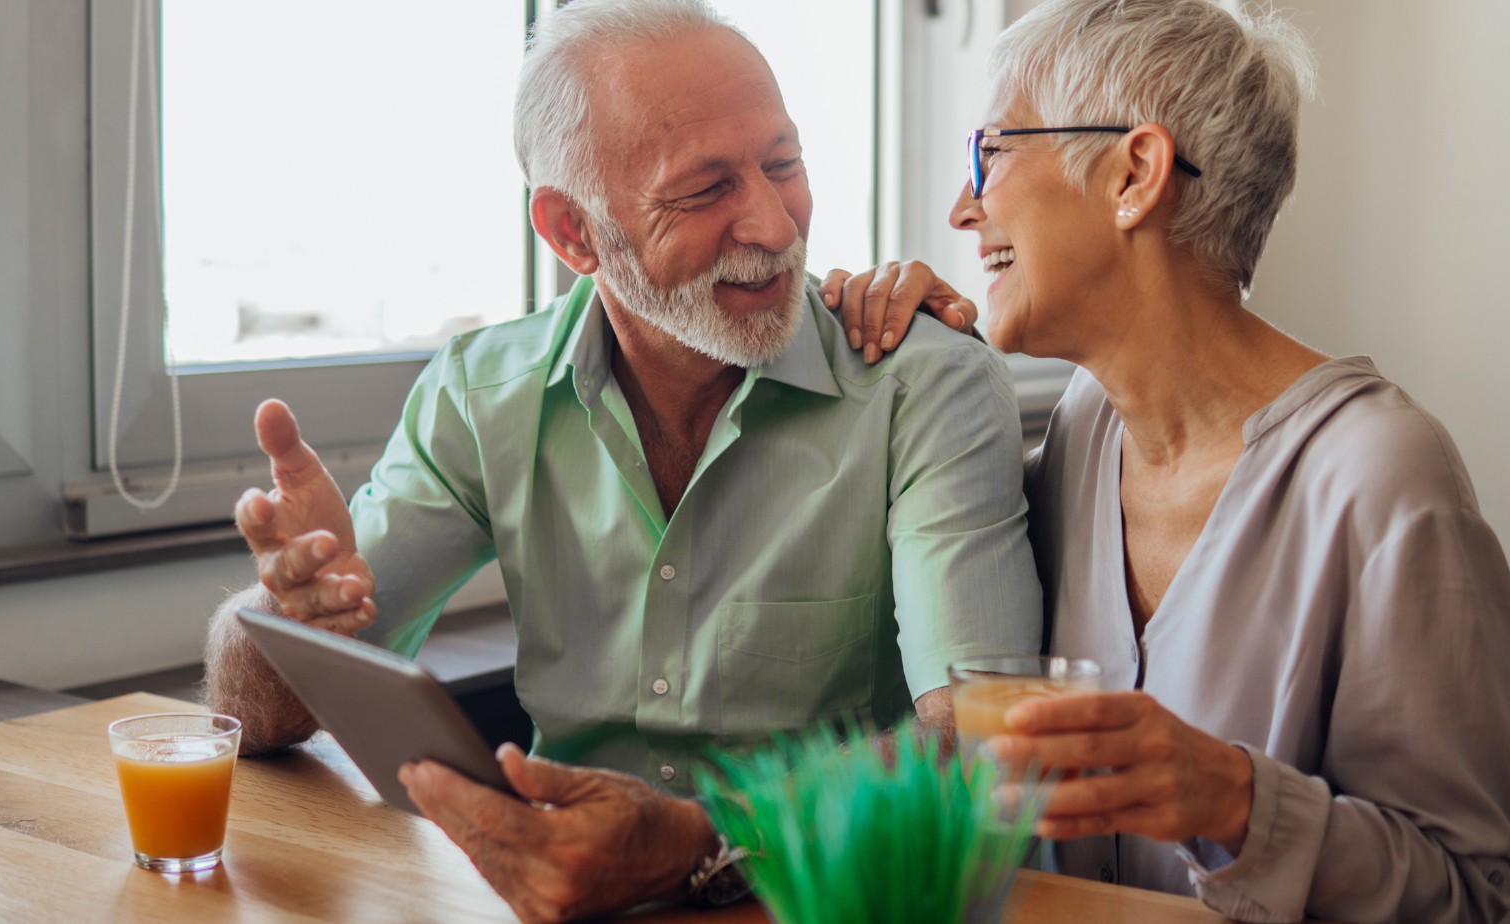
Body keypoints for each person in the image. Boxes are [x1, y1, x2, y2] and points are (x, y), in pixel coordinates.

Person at [201, 0, 1041, 920]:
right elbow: (261, 720)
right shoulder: (483, 395)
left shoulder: (925, 387)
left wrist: (702, 845)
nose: (771, 222)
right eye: (704, 190)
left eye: (783, 164)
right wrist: (287, 616)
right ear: (573, 234)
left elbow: (982, 736)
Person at [820, 0, 1510, 921]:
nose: (962, 206)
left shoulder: (1384, 478)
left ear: (1135, 174)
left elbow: (1473, 895)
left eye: (991, 153)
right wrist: (915, 357)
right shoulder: (1082, 428)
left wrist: (1235, 797)